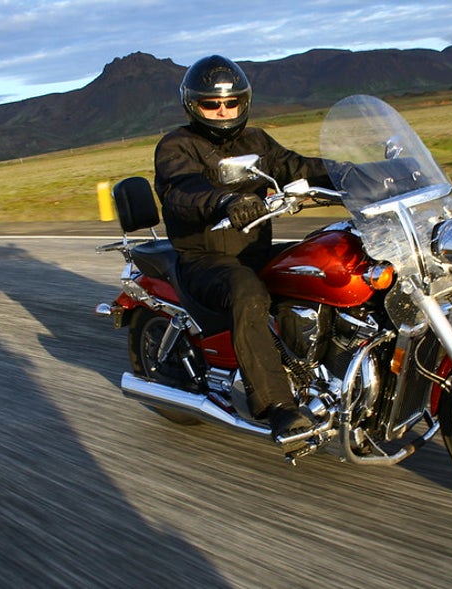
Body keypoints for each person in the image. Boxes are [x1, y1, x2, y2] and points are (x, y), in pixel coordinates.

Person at [153, 55, 335, 446]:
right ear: (192, 104)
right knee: (248, 293)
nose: (222, 111)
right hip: (205, 259)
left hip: (254, 251)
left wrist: (356, 173)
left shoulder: (256, 141)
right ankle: (278, 407)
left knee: (323, 264)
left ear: (244, 101)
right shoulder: (176, 145)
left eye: (231, 102)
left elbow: (296, 166)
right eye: (211, 104)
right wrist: (224, 203)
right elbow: (182, 189)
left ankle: (317, 372)